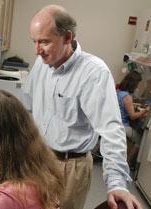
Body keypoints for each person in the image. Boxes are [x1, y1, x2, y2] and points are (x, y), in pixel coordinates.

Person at [21, 4, 142, 209]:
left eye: (44, 42)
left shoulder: (94, 73)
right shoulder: (41, 63)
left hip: (69, 167)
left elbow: (111, 130)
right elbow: (27, 106)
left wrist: (117, 183)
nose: (37, 50)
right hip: (38, 158)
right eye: (34, 41)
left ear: (67, 37)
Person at [116, 71, 148, 168]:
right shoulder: (127, 96)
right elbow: (133, 116)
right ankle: (127, 163)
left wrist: (133, 105)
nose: (138, 86)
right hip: (122, 126)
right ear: (134, 84)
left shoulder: (119, 92)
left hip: (116, 123)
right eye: (138, 83)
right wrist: (145, 111)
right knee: (139, 140)